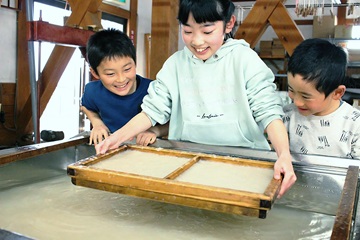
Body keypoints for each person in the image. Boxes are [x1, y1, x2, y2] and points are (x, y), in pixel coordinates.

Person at [96, 0, 296, 198]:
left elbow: (268, 112)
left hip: (244, 162)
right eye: (188, 31)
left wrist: (283, 155)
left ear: (229, 23)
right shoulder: (175, 64)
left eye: (207, 31)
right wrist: (116, 138)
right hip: (185, 160)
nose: (197, 41)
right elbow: (151, 111)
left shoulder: (245, 60)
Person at [81, 28, 168, 146]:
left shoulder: (154, 90)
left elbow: (174, 121)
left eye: (127, 69)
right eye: (110, 74)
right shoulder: (93, 91)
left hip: (148, 150)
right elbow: (86, 107)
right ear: (95, 73)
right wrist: (97, 123)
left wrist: (155, 131)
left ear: (135, 63)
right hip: (113, 149)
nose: (121, 79)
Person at [283, 38, 360, 159]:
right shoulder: (288, 115)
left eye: (305, 96)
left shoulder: (354, 124)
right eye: (291, 90)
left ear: (337, 93)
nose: (296, 102)